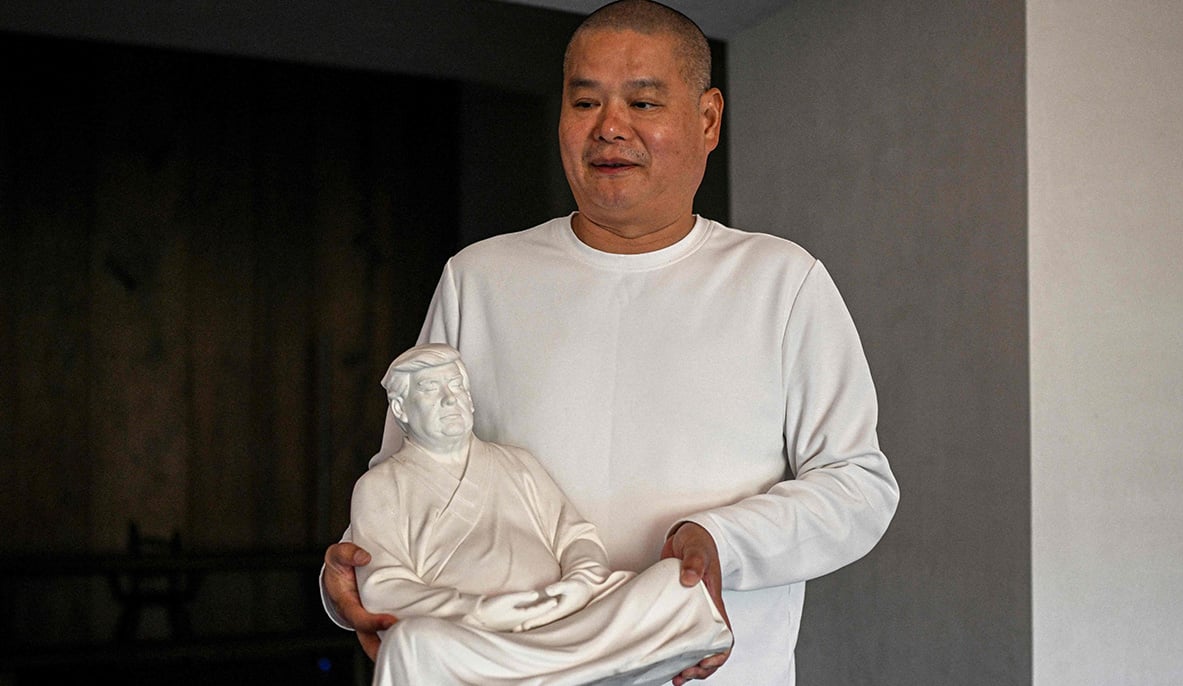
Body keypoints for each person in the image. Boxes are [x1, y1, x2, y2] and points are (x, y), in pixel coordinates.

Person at [322, 1, 899, 684]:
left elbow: (859, 488)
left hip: (703, 668)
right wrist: (356, 577)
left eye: (644, 102)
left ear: (708, 119)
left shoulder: (781, 281)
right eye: (585, 102)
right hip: (511, 656)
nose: (610, 129)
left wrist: (719, 542)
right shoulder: (481, 278)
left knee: (670, 604)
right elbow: (405, 474)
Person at [352, 343, 730, 685]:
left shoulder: (516, 463)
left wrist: (580, 582)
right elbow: (384, 586)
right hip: (478, 636)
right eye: (432, 390)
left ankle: (574, 669)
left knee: (675, 584)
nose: (451, 399)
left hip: (567, 617)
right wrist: (481, 610)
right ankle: (588, 672)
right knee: (412, 644)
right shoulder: (380, 486)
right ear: (400, 408)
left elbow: (575, 537)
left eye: (457, 387)